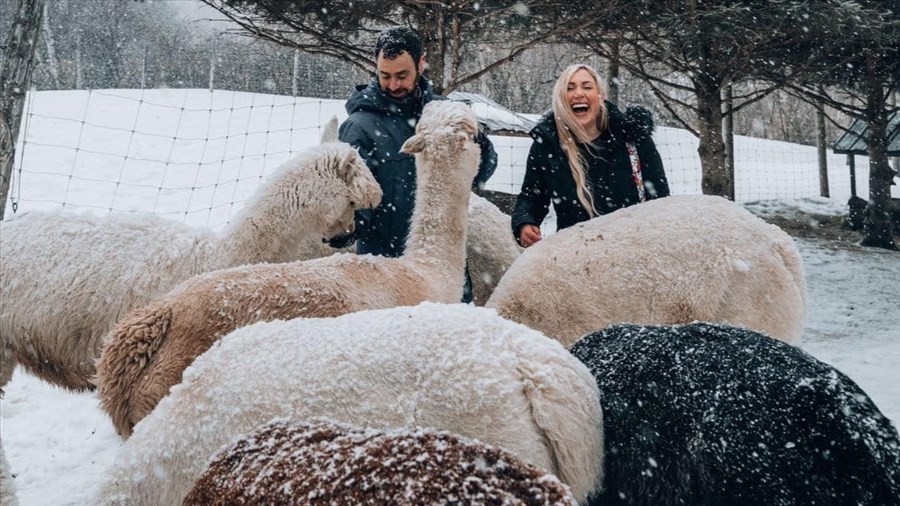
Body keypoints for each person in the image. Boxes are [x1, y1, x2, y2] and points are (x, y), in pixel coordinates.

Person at [338, 26, 497, 303]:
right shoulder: (359, 127)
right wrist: (348, 227)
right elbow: (355, 202)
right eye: (384, 76)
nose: (393, 85)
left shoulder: (444, 114)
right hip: (385, 275)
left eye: (402, 75)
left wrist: (478, 143)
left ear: (421, 63)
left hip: (444, 269)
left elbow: (480, 174)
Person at [512, 64, 670, 247]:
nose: (579, 93)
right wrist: (525, 223)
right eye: (570, 88)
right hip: (574, 252)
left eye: (587, 87)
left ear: (600, 95)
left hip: (630, 251)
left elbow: (660, 200)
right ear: (561, 98)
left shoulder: (632, 139)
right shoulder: (548, 146)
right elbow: (532, 196)